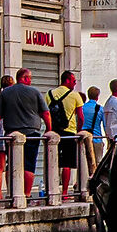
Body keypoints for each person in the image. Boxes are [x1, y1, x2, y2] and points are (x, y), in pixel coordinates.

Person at [0, 65, 49, 200]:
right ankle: (27, 194)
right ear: (24, 78)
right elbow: (45, 113)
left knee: (11, 164)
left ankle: (13, 193)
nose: (31, 81)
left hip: (11, 134)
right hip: (32, 133)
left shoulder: (4, 93)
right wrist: (49, 129)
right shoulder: (35, 92)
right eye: (30, 78)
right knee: (29, 165)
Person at [47, 68, 86, 198]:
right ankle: (64, 192)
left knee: (52, 161)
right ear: (67, 80)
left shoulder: (50, 94)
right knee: (67, 164)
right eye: (74, 81)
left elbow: (46, 113)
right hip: (69, 132)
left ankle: (51, 190)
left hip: (54, 131)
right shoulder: (75, 95)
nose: (75, 83)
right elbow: (80, 116)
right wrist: (79, 131)